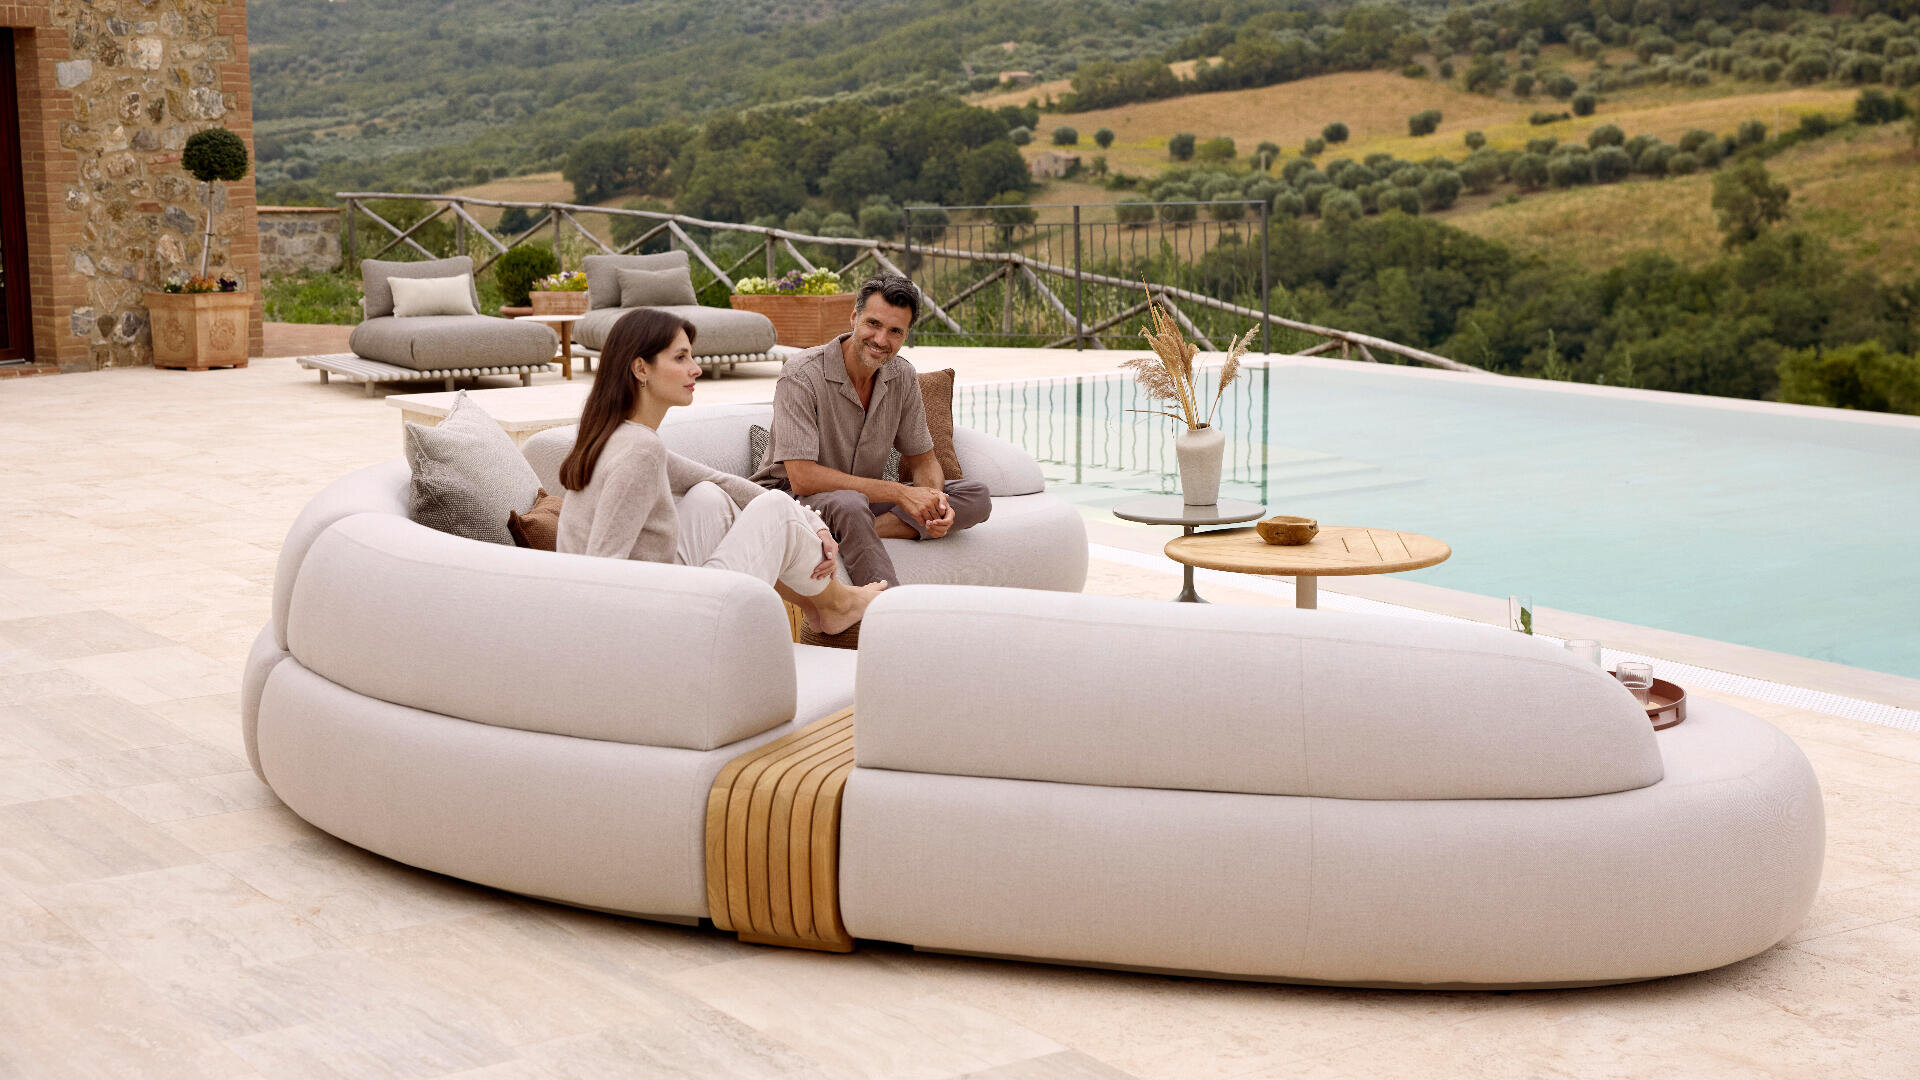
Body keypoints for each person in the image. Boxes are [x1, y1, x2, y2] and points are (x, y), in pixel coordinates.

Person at [555, 308, 886, 635]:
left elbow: (718, 480)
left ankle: (824, 605)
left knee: (711, 496)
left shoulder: (621, 437)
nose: (696, 369)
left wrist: (815, 524)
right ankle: (839, 603)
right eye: (681, 358)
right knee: (777, 509)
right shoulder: (640, 451)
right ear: (641, 369)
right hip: (655, 629)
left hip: (657, 601)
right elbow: (602, 569)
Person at [749, 273, 990, 587]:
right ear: (854, 317)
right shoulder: (801, 374)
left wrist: (934, 503)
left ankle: (860, 528)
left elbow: (923, 460)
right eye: (873, 324)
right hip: (791, 499)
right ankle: (887, 606)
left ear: (906, 335)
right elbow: (803, 477)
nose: (881, 340)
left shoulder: (902, 375)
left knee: (975, 495)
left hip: (860, 503)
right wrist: (901, 494)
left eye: (895, 331)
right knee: (850, 505)